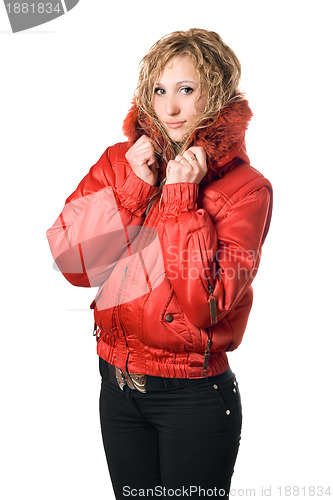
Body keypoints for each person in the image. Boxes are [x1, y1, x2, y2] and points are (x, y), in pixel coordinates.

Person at [47, 28, 273, 499]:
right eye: (160, 90)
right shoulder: (119, 162)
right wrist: (131, 188)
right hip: (117, 388)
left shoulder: (247, 189)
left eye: (187, 90)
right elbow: (73, 264)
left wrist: (180, 199)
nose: (169, 108)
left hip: (191, 399)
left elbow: (206, 305)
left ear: (216, 95)